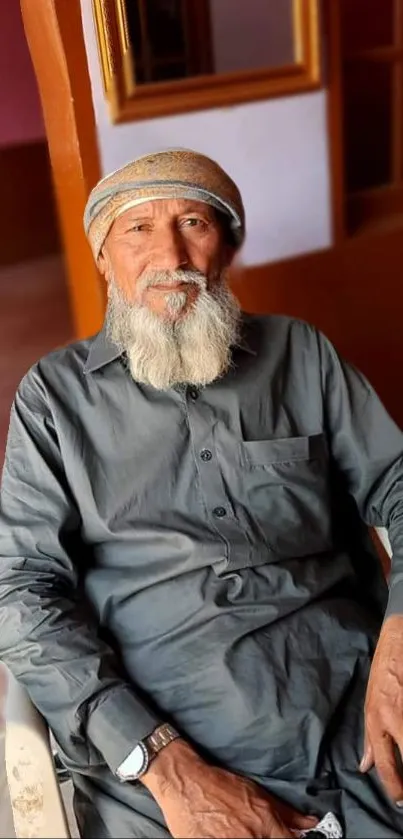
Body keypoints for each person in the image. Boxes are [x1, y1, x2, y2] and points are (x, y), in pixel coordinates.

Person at [1, 148, 403, 839]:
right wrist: (165, 765)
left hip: (357, 700)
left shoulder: (299, 354)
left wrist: (399, 645)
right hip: (172, 740)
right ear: (103, 259)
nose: (170, 253)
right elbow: (20, 587)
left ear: (226, 247)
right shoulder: (55, 398)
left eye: (194, 222)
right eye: (136, 230)